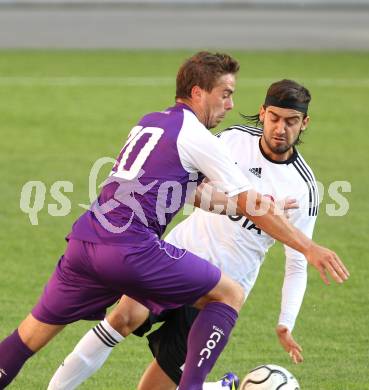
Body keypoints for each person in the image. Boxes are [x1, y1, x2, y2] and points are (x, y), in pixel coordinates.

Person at [0, 52, 348, 390]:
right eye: (225, 94)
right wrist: (309, 246)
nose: (229, 105)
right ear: (199, 92)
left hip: (85, 241)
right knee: (228, 295)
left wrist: (248, 208)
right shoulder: (201, 136)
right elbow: (250, 204)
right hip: (133, 250)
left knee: (27, 337)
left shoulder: (150, 120)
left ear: (303, 123)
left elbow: (186, 191)